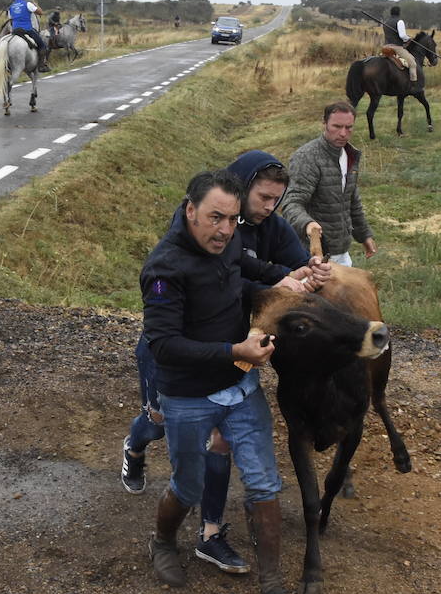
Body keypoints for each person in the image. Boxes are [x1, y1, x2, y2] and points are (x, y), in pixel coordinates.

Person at [121, 153, 328, 569]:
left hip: (239, 384)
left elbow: (243, 268)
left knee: (264, 481)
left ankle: (272, 589)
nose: (225, 230)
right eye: (216, 218)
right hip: (187, 392)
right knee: (187, 484)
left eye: (233, 220)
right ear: (190, 209)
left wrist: (293, 274)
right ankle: (163, 541)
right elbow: (164, 346)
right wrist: (237, 351)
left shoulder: (229, 239)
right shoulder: (164, 269)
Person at [277, 101, 376, 267]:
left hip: (341, 251)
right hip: (309, 254)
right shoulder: (307, 157)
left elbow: (351, 200)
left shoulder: (349, 155)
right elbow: (291, 203)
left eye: (349, 127)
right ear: (324, 123)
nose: (343, 133)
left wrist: (364, 235)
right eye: (336, 126)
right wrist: (308, 225)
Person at [7, 0, 49, 72]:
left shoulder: (11, 7)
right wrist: (36, 5)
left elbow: (11, 20)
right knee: (42, 45)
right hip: (27, 30)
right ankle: (41, 66)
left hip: (15, 31)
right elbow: (40, 13)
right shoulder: (27, 4)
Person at [379, 5, 418, 82]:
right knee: (413, 63)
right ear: (399, 13)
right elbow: (402, 35)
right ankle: (414, 83)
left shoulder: (386, 22)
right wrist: (409, 38)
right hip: (397, 47)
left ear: (391, 13)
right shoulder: (400, 21)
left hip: (385, 46)